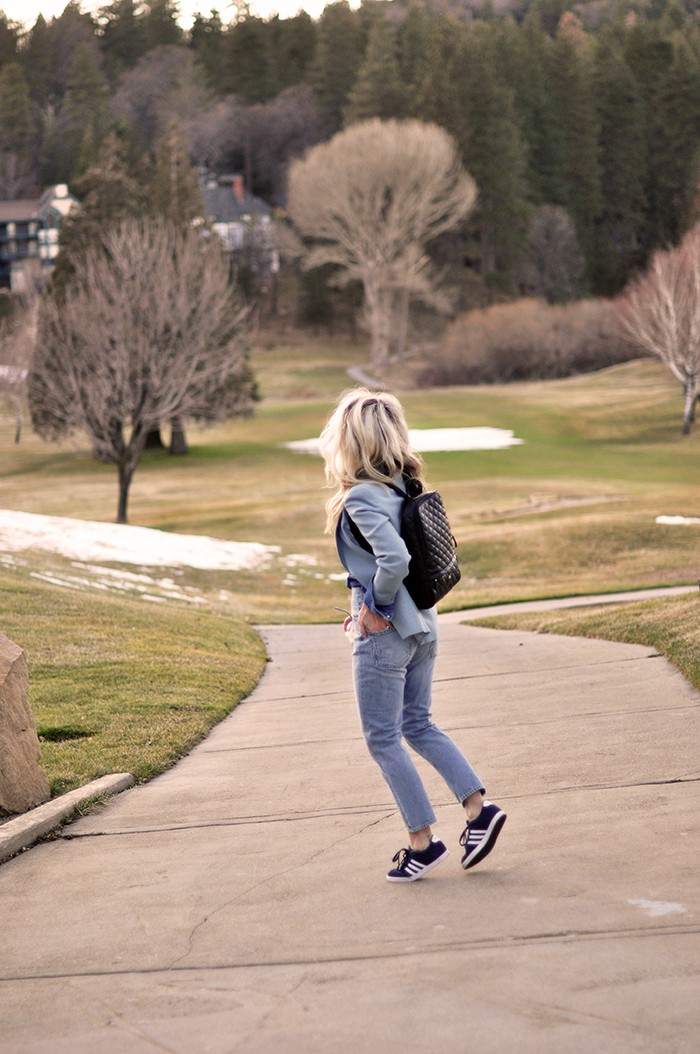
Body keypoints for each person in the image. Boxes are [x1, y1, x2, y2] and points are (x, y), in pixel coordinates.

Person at [320, 387, 506, 883]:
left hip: (389, 631)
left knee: (383, 738)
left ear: (349, 442)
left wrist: (374, 608)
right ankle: (478, 811)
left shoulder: (360, 494)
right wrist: (359, 605)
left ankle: (421, 843)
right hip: (424, 623)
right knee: (418, 724)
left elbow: (395, 561)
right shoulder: (404, 484)